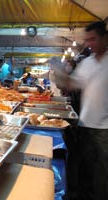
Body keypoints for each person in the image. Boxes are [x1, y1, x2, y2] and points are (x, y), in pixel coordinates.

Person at [54, 21, 108, 200]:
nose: (89, 44)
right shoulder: (86, 63)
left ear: (104, 38)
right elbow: (69, 84)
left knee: (102, 173)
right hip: (85, 124)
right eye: (87, 40)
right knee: (84, 168)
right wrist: (59, 72)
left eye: (93, 39)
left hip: (105, 129)